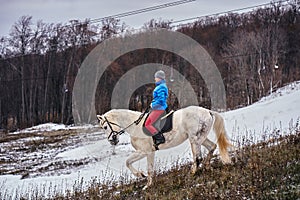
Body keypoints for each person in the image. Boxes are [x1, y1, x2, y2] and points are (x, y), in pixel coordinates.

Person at [145, 70, 168, 146]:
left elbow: (161, 100)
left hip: (159, 109)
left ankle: (159, 138)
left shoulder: (161, 87)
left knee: (147, 124)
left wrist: (153, 105)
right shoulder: (160, 86)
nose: (155, 79)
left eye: (156, 77)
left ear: (160, 78)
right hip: (158, 108)